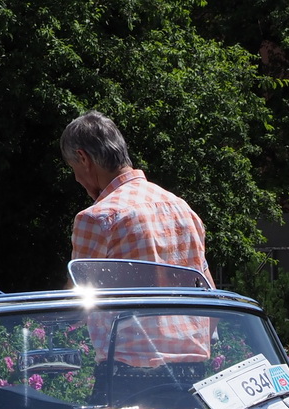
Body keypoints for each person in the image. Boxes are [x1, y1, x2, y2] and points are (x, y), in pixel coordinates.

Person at [61, 111, 213, 382]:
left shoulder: (98, 217)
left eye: (73, 168)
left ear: (83, 158)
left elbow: (76, 305)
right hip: (194, 372)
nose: (76, 179)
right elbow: (209, 294)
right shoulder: (183, 209)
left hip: (129, 373)